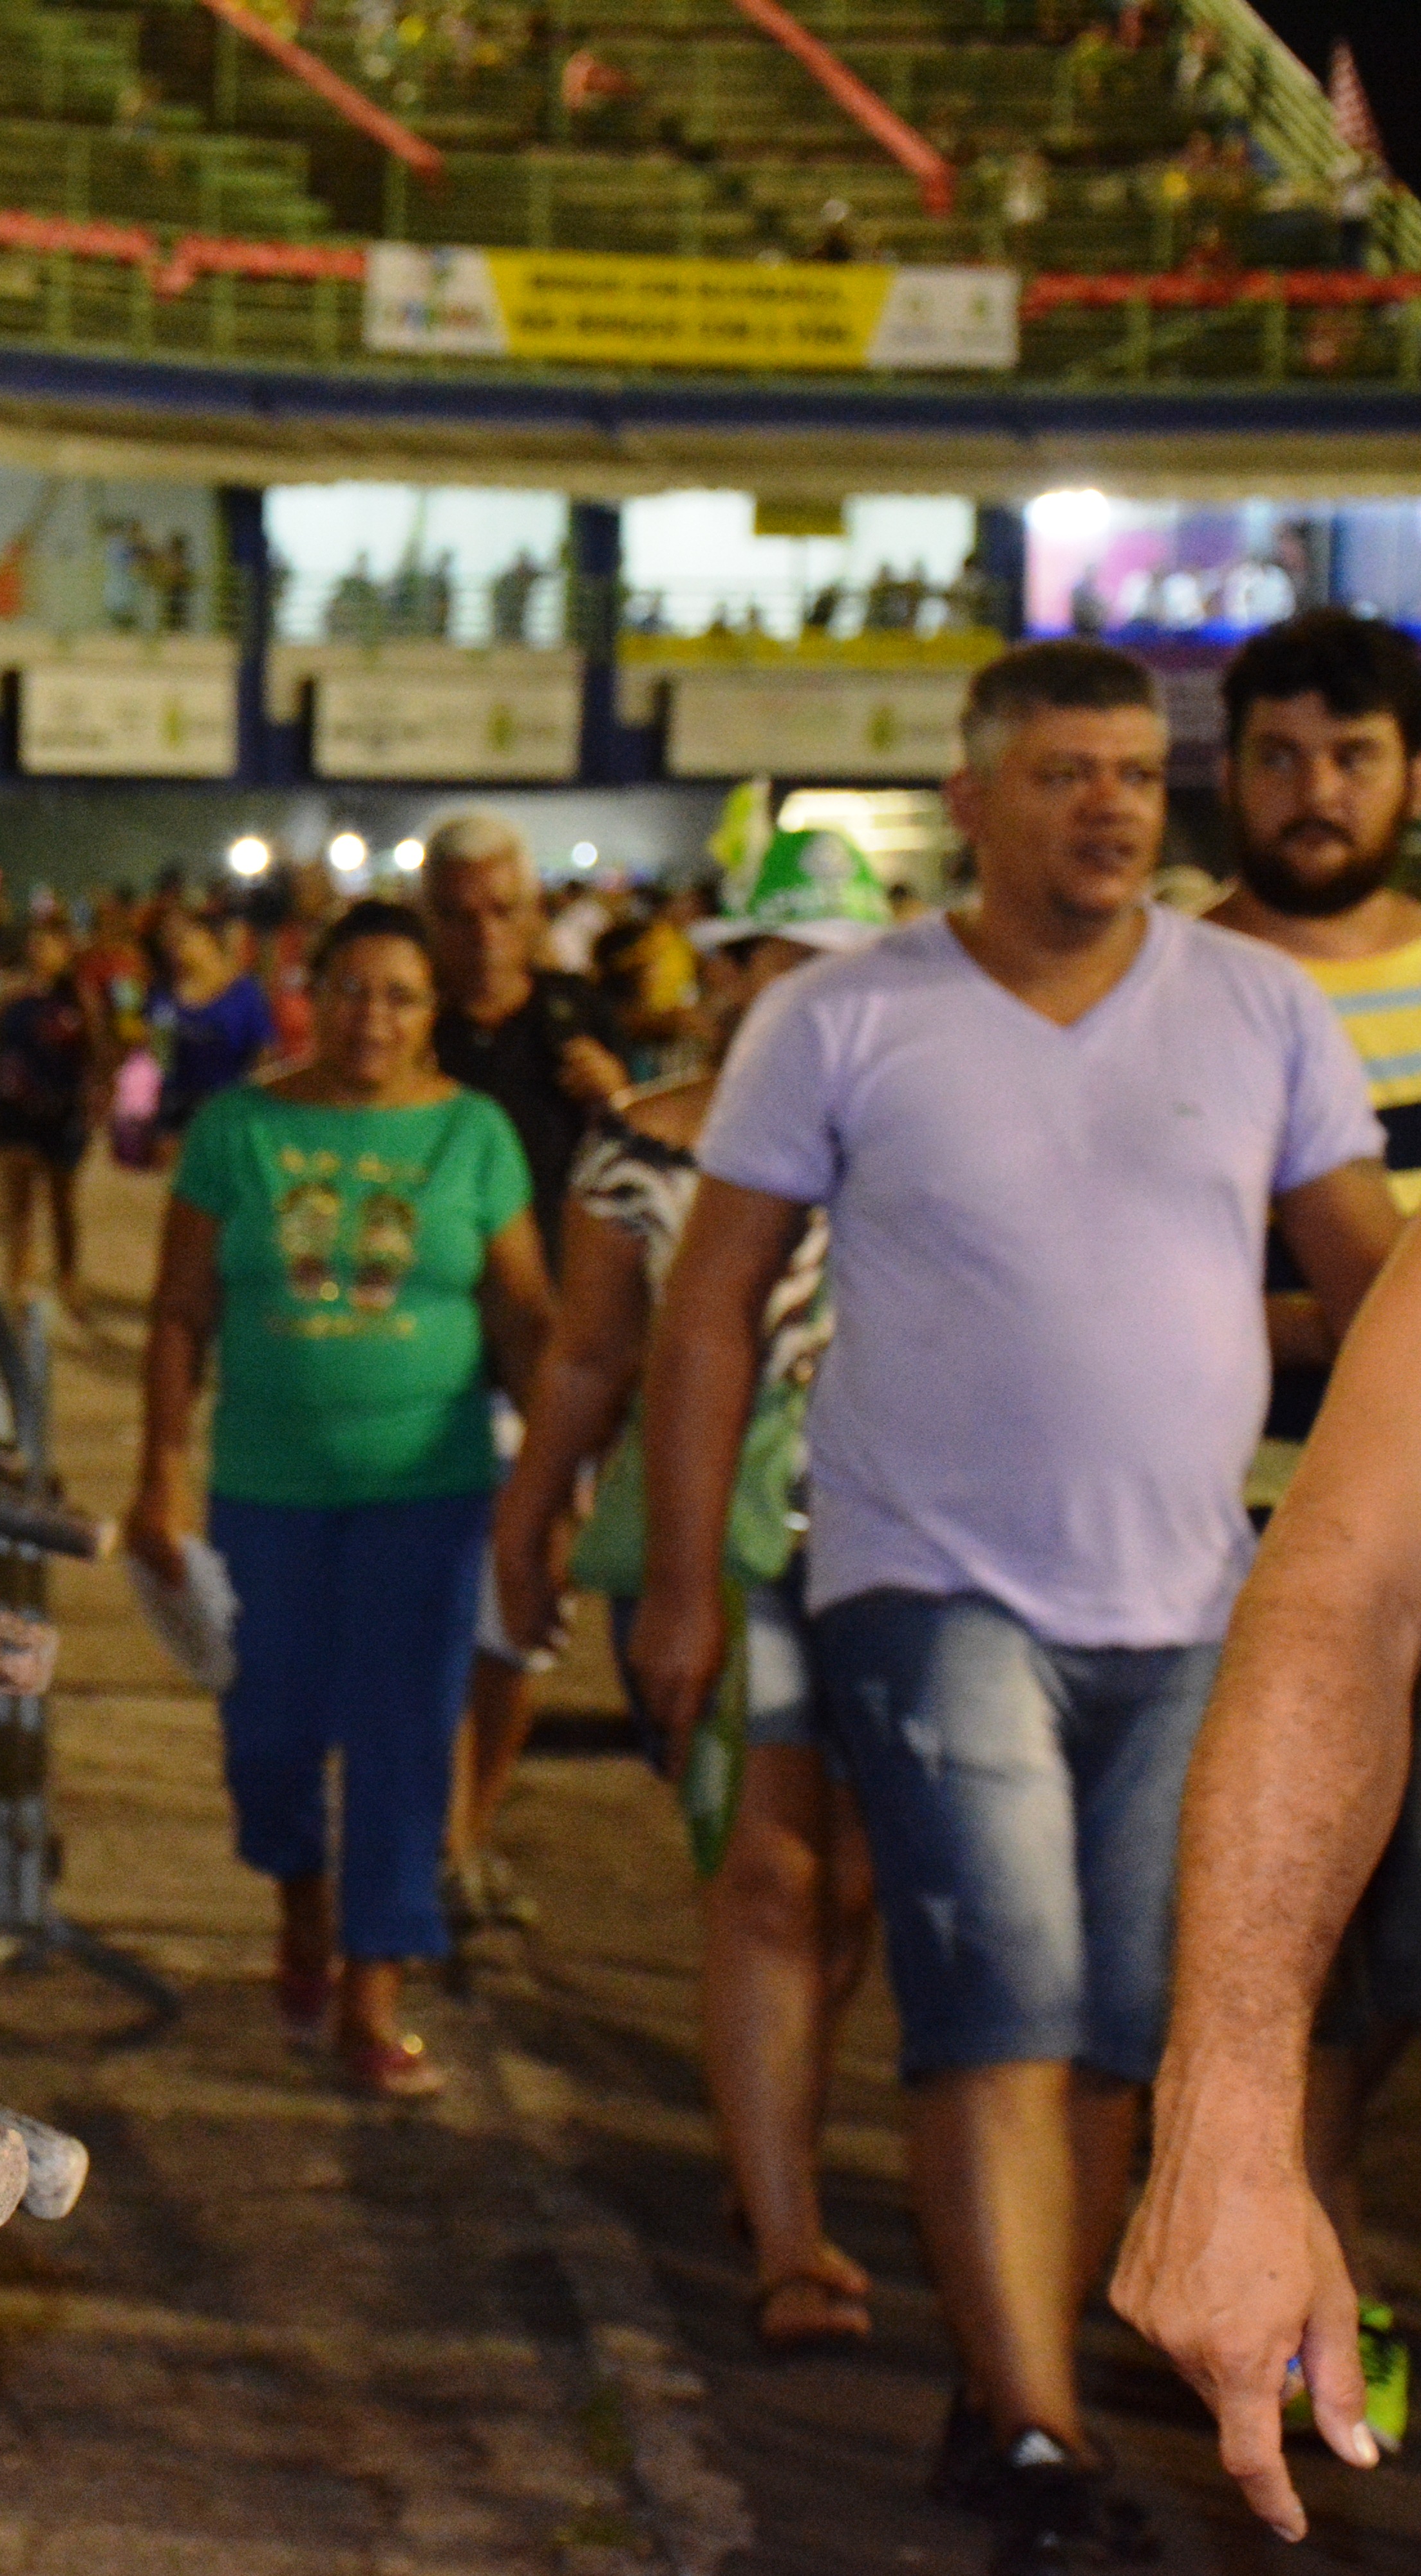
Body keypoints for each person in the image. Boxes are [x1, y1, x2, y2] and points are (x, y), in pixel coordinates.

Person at [635, 641, 1399, 2570]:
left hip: (1185, 1602)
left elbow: (1370, 1282)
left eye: (1135, 772)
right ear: (970, 801)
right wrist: (678, 1581)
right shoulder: (840, 1016)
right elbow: (709, 1302)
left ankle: (1008, 2387)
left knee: (1121, 2026)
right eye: (1064, 773)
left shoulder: (1256, 1007)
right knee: (998, 1990)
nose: (1110, 806)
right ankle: (1046, 2435)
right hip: (920, 1579)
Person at [487, 827, 892, 2352]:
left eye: (845, 969)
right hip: (714, 1554)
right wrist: (526, 1523)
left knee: (847, 1883)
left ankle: (769, 2138)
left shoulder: (921, 1136)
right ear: (729, 976)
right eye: (787, 965)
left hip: (895, 1553)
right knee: (769, 1872)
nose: (815, 995)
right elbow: (587, 1357)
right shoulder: (644, 1148)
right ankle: (786, 2233)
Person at [1118, 610, 1421, 2537]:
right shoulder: (1162, 988)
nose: (1316, 792)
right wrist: (1218, 2116)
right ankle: (1318, 2267)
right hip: (1210, 1535)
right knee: (1303, 1992)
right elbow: (1343, 1599)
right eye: (1281, 753)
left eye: (1354, 753)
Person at [131, 901, 551, 2100]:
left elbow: (524, 1315)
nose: (374, 1017)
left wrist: (555, 1477)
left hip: (430, 1492)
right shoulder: (241, 1128)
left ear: (433, 1014)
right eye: (352, 990)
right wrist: (160, 1469)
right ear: (310, 997)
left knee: (405, 1739)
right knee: (267, 1737)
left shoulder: (474, 1134)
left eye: (402, 995)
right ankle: (302, 1898)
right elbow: (180, 1310)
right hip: (267, 1489)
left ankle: (376, 1984)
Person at [424, 814, 630, 1926]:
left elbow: (640, 1178)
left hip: (555, 1366)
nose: (484, 937)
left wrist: (614, 1094)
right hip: (427, 1369)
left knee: (520, 1623)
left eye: (503, 912)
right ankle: (441, 1839)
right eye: (459, 917)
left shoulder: (573, 1019)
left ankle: (470, 1829)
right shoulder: (408, 1024)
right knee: (433, 1619)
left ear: (535, 913)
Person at [0, 920, 96, 1296]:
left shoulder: (78, 998)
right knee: (19, 1206)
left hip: (62, 1113)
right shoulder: (10, 996)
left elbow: (98, 1051)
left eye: (51, 945)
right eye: (37, 944)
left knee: (63, 1205)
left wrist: (95, 1101)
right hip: (15, 1112)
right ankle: (17, 1281)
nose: (42, 952)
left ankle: (68, 1280)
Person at [144, 905, 276, 1151]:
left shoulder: (244, 993)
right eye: (170, 943)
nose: (177, 950)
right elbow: (161, 1060)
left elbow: (264, 1053)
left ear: (209, 939)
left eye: (183, 939)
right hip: (179, 1114)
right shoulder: (165, 997)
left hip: (231, 1113)